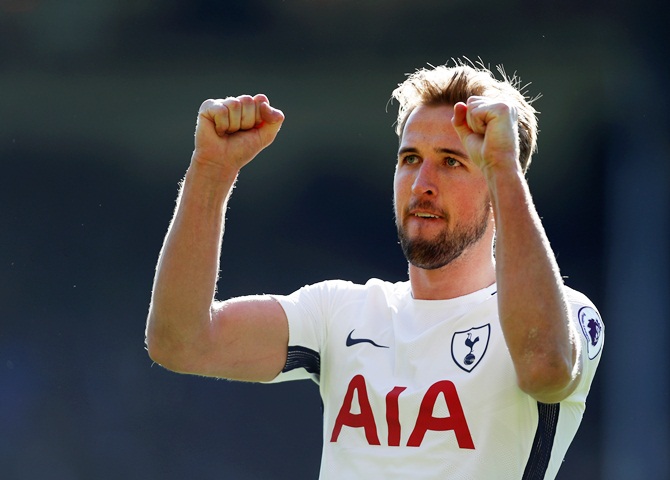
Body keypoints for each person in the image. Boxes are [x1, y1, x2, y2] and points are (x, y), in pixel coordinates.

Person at [145, 59, 604, 479]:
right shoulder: (340, 312)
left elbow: (545, 368)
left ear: (499, 182)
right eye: (410, 159)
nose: (422, 184)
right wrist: (210, 172)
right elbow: (180, 342)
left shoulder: (563, 314)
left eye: (451, 161)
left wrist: (504, 167)